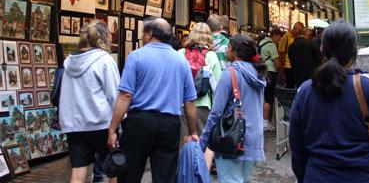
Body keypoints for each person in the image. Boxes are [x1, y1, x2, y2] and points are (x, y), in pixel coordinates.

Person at [289, 21, 369, 182]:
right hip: (366, 176)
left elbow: (297, 146)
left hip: (319, 176)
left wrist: (305, 177)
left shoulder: (305, 91)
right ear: (355, 50)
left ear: (322, 48)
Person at [108, 17, 198, 183]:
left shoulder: (136, 56)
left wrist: (113, 128)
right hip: (169, 124)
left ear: (149, 34)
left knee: (130, 174)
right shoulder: (181, 61)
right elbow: (189, 102)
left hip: (139, 123)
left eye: (143, 33)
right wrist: (193, 131)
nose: (142, 37)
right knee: (165, 176)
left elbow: (125, 95)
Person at [59, 21, 120, 183]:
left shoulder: (69, 62)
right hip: (100, 123)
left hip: (74, 124)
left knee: (78, 171)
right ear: (103, 38)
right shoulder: (105, 60)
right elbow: (114, 95)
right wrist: (119, 122)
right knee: (113, 167)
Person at [200, 34, 267, 183]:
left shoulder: (229, 74)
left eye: (228, 46)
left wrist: (203, 141)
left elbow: (216, 112)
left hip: (231, 139)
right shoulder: (259, 74)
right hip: (254, 138)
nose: (226, 49)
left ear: (236, 51)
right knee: (243, 179)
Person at [179, 23, 222, 168]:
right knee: (202, 141)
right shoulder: (211, 56)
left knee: (184, 140)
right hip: (203, 105)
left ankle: (184, 170)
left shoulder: (180, 53)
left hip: (182, 105)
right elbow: (218, 86)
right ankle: (200, 171)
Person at [258, 28, 284, 131]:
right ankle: (265, 122)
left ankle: (262, 121)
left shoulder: (261, 42)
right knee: (269, 97)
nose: (279, 40)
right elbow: (277, 63)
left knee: (263, 96)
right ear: (275, 35)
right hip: (270, 73)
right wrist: (281, 73)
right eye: (279, 37)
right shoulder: (271, 45)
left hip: (261, 72)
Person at [288, 22, 322, 88]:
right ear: (304, 32)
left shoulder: (291, 47)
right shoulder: (311, 43)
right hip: (312, 78)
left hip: (298, 79)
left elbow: (291, 62)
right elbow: (319, 59)